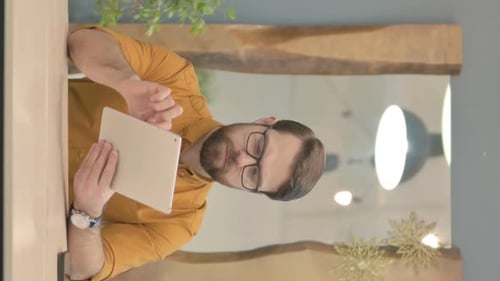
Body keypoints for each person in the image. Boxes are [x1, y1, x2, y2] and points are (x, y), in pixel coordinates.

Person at [66, 26, 326, 281]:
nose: (242, 160)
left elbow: (82, 269)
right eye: (257, 146)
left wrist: (88, 211)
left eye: (254, 174)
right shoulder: (176, 80)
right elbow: (82, 40)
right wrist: (126, 83)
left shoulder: (179, 224)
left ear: (249, 191)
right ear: (264, 121)